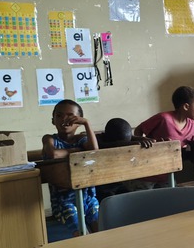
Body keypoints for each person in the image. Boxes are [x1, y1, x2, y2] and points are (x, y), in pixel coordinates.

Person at [134, 85, 194, 202]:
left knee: (170, 204)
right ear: (186, 106)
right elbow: (139, 129)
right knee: (142, 204)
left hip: (167, 175)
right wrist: (141, 140)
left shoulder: (193, 126)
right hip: (146, 174)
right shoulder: (164, 118)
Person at [42, 99, 100, 236]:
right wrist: (78, 151)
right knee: (82, 234)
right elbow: (54, 154)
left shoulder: (81, 139)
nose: (64, 119)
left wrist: (87, 123)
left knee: (100, 229)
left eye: (70, 116)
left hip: (88, 196)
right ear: (53, 120)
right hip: (63, 200)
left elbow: (94, 151)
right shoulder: (49, 139)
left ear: (78, 122)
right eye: (59, 115)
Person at [95, 118, 154, 200]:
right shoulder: (96, 140)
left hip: (120, 182)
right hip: (102, 186)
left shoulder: (124, 138)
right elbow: (105, 145)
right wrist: (131, 143)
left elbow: (130, 138)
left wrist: (142, 140)